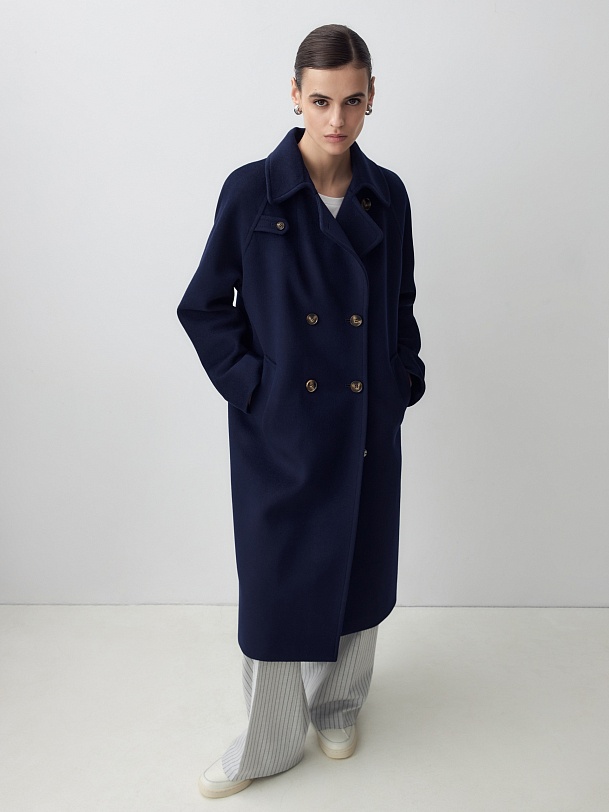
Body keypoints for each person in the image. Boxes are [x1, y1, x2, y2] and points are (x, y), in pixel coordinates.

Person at [177, 23, 426, 799]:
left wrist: (400, 380)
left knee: (359, 570)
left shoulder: (387, 194)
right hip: (280, 428)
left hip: (362, 423)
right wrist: (255, 388)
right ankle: (267, 743)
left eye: (351, 101)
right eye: (320, 101)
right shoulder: (252, 189)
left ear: (371, 97)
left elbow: (400, 300)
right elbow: (204, 307)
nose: (336, 120)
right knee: (278, 586)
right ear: (294, 95)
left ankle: (338, 705)